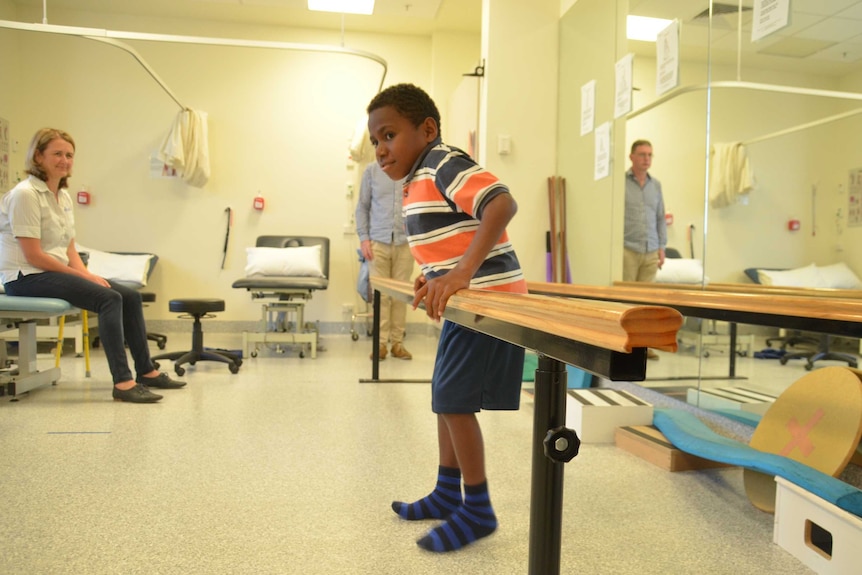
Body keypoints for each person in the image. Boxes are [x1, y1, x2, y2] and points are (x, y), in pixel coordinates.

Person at [367, 84, 527, 553]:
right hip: (468, 301)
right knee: (445, 396)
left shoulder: (443, 162)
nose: (381, 150)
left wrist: (460, 272)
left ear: (428, 129)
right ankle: (446, 491)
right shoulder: (420, 179)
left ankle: (477, 509)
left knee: (454, 400)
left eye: (390, 135)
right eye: (375, 141)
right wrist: (434, 275)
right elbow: (451, 235)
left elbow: (501, 204)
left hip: (488, 301)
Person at [0, 128, 185, 403]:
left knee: (130, 296)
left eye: (69, 155)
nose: (65, 160)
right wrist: (80, 276)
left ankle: (147, 371)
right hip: (25, 276)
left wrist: (87, 275)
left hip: (49, 272)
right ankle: (123, 383)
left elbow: (69, 247)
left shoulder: (61, 196)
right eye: (57, 154)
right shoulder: (25, 194)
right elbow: (34, 256)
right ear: (38, 156)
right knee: (109, 299)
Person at [355, 162, 413, 360]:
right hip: (377, 243)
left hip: (405, 242)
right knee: (381, 297)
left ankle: (397, 344)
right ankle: (379, 344)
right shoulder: (371, 171)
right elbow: (362, 206)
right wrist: (364, 238)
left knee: (401, 296)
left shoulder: (412, 169)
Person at [623, 139, 667, 360]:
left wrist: (662, 247)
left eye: (650, 155)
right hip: (627, 248)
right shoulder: (621, 183)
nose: (646, 159)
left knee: (646, 302)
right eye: (642, 154)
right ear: (631, 157)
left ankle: (643, 345)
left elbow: (660, 217)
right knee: (626, 300)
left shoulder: (656, 185)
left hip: (651, 248)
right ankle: (625, 343)